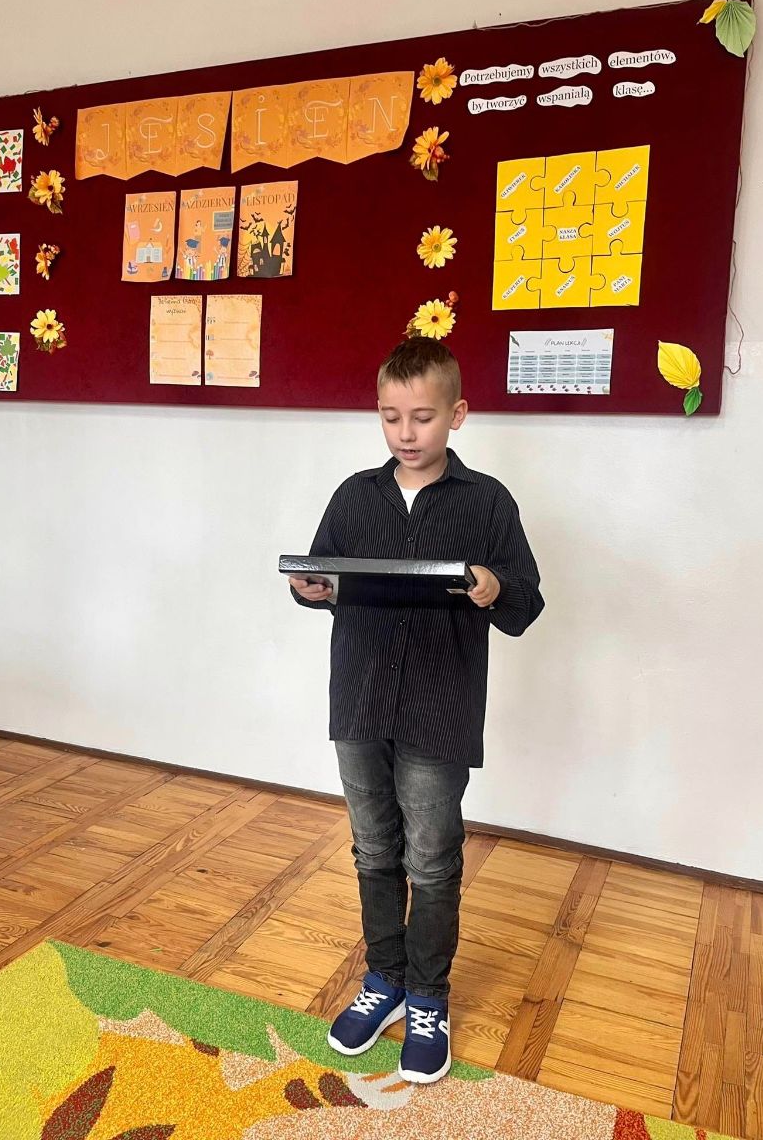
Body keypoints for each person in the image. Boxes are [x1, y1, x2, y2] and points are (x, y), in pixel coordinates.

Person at [289, 337, 543, 1084]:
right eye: (390, 416)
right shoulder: (353, 496)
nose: (405, 432)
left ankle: (428, 996)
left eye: (422, 417)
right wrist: (310, 589)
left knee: (431, 856)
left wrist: (495, 588)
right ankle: (385, 979)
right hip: (360, 699)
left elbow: (525, 603)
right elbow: (322, 578)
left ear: (457, 415)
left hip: (440, 705)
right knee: (373, 847)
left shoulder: (487, 502)